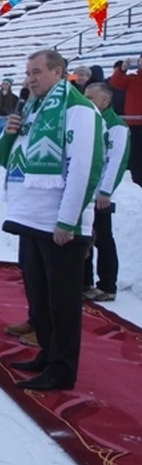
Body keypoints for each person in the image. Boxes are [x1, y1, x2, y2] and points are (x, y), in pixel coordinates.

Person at [0, 49, 103, 391]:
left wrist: (68, 220)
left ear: (58, 73)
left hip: (60, 224)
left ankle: (62, 368)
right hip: (30, 218)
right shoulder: (33, 110)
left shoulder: (78, 110)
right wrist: (10, 133)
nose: (29, 78)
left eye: (37, 71)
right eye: (27, 72)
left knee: (62, 301)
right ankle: (47, 352)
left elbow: (86, 167)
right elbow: (0, 158)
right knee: (39, 296)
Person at [83, 82, 131, 302]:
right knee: (83, 238)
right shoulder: (88, 121)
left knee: (102, 239)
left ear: (105, 100)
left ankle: (107, 285)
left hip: (99, 193)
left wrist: (105, 191)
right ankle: (84, 282)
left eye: (91, 98)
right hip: (84, 191)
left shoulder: (116, 126)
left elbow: (116, 161)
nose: (86, 101)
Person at [108, 54, 142, 188]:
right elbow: (115, 83)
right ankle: (137, 184)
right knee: (135, 157)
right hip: (133, 124)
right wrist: (122, 69)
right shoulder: (132, 78)